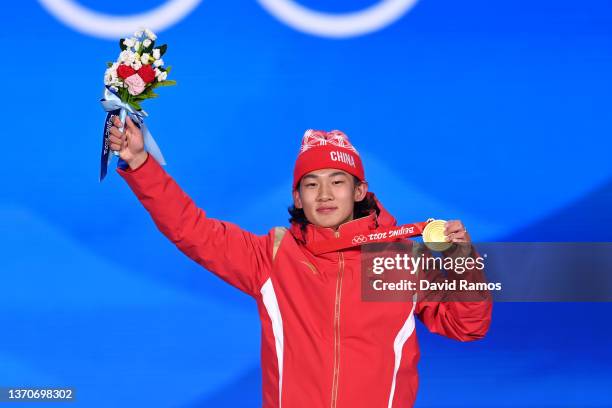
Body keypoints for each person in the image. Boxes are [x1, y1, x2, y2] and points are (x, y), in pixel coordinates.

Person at [108, 116, 492, 408]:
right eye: (311, 183)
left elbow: (467, 326)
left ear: (359, 190)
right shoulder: (273, 257)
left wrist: (464, 264)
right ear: (298, 197)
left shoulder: (401, 262)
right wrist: (140, 162)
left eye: (337, 181)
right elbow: (190, 230)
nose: (324, 194)